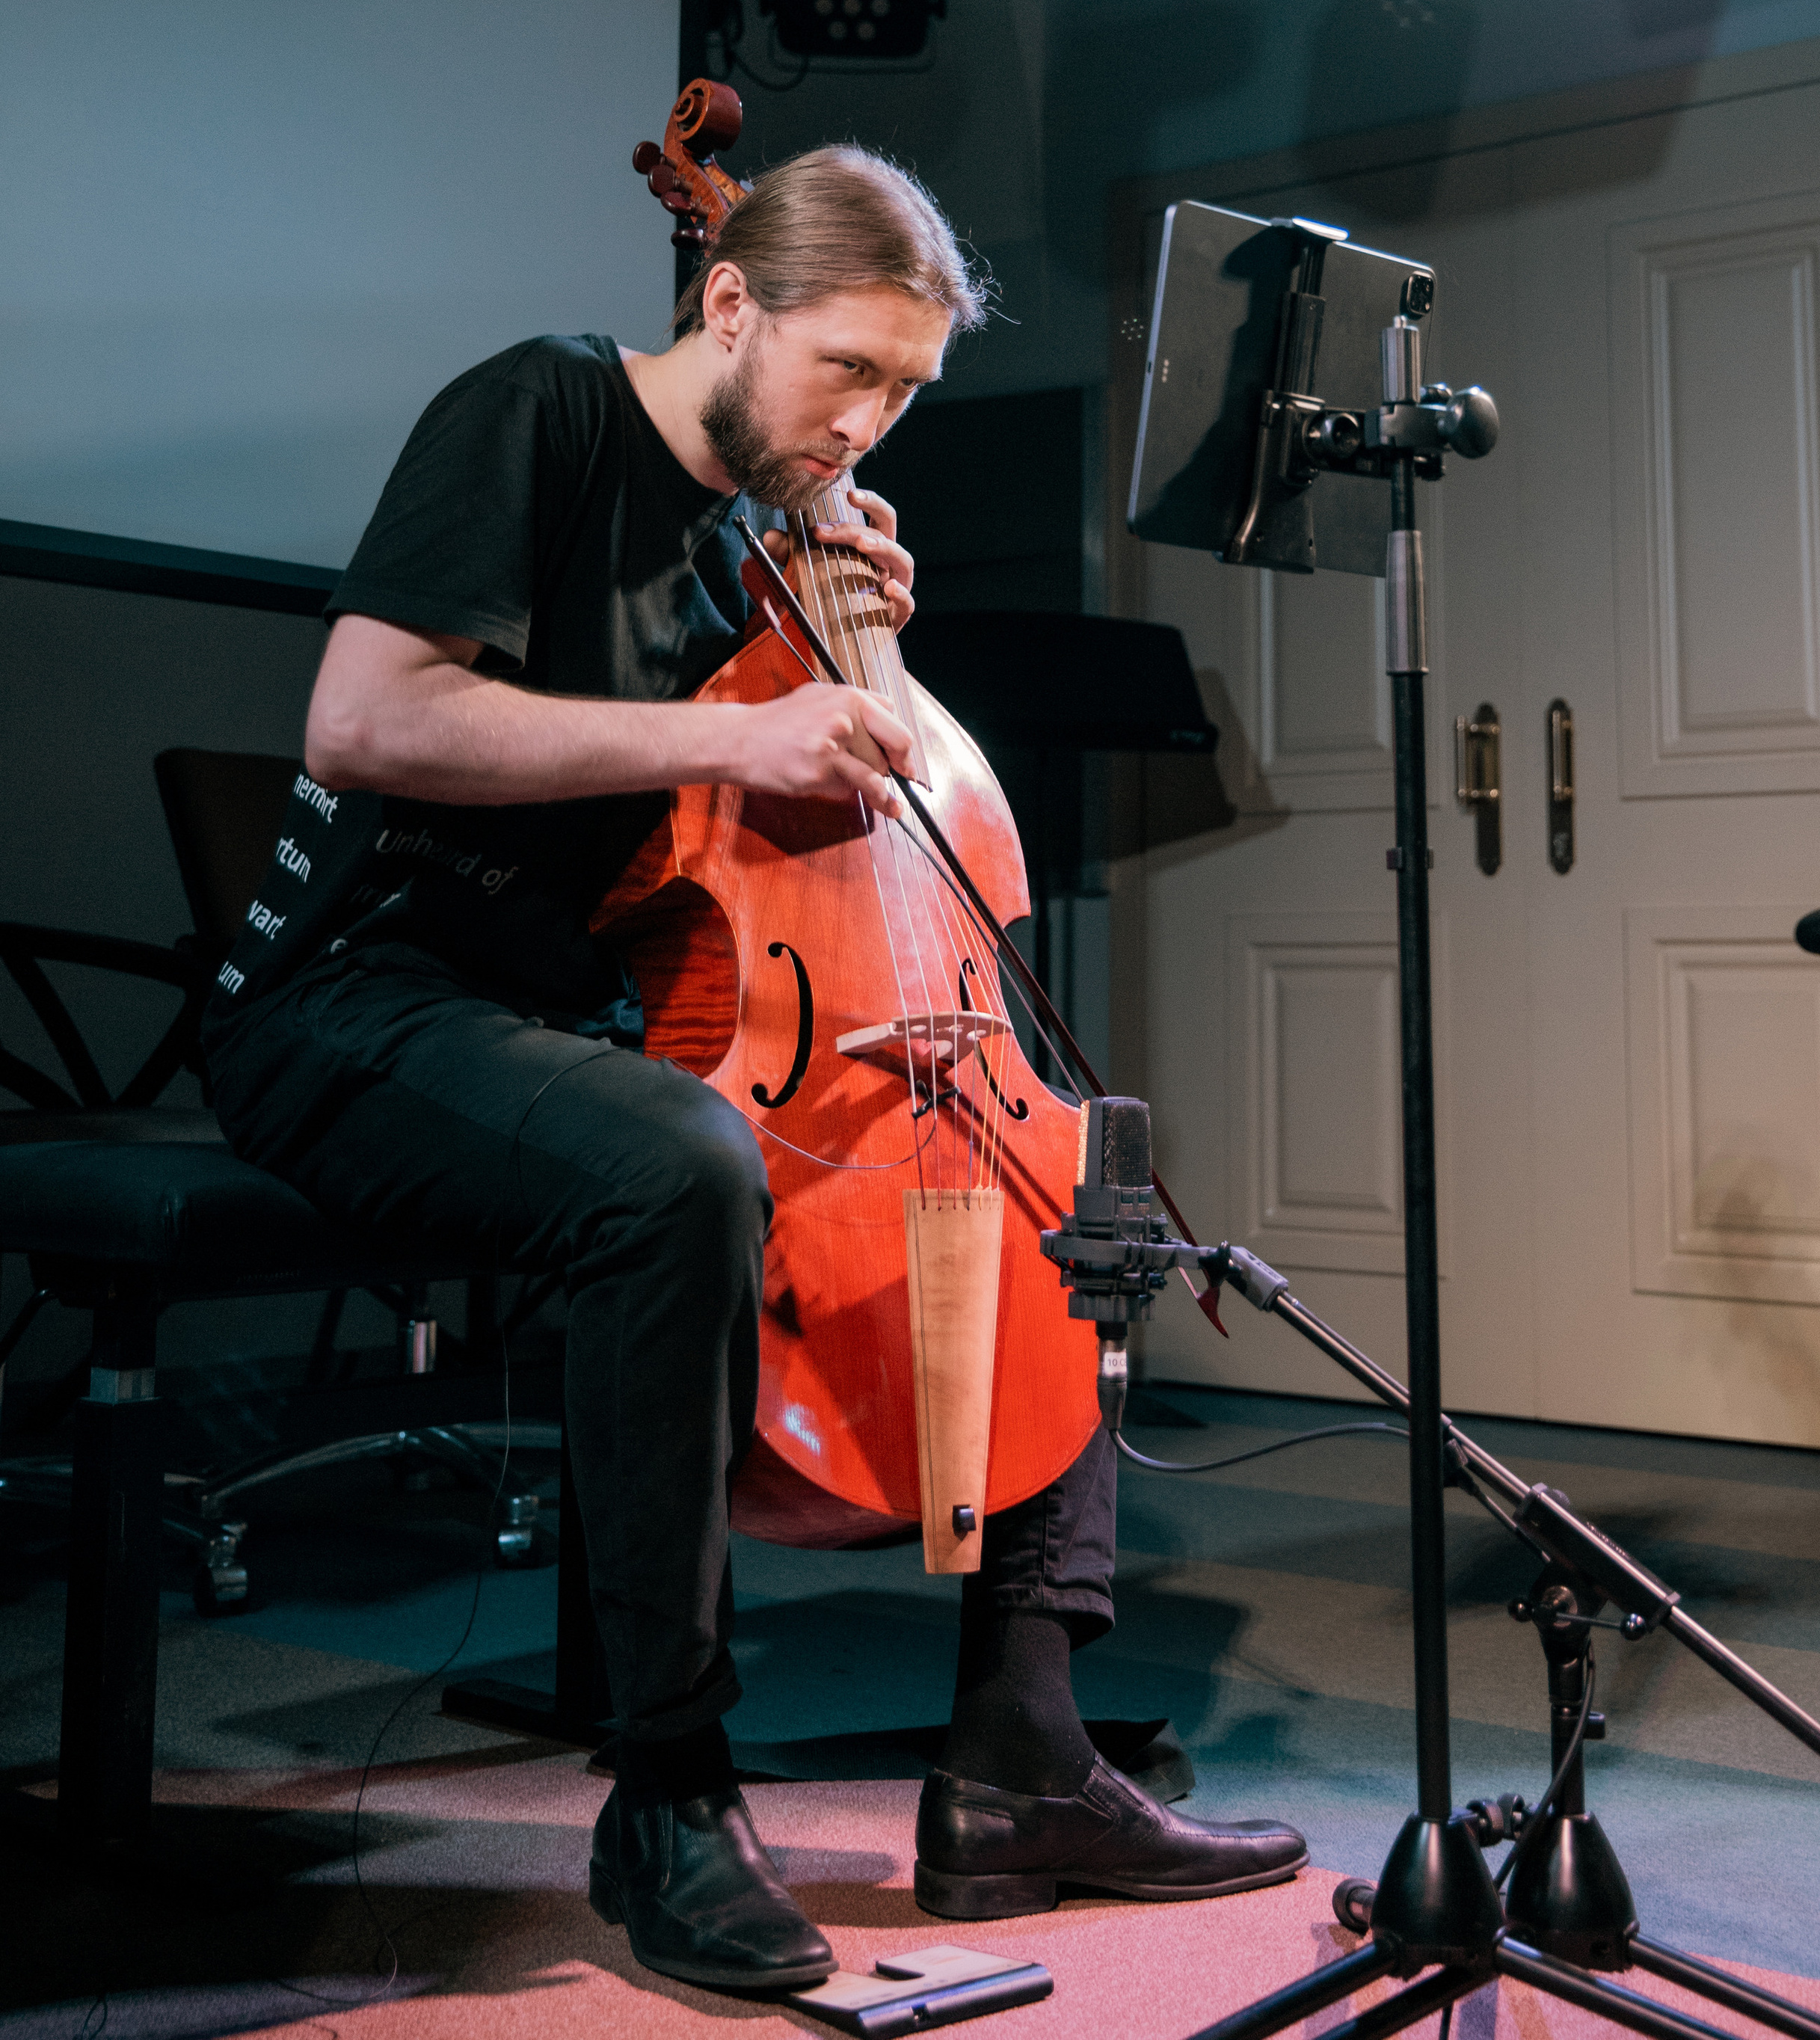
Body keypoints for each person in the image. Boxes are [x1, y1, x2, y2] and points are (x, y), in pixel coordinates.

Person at [203, 144, 1306, 1994]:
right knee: (676, 1166)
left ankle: (1025, 1744)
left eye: (903, 393)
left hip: (572, 1010)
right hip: (352, 1007)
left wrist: (829, 635)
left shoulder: (756, 535)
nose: (867, 425)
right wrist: (754, 720)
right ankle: (667, 1791)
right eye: (843, 373)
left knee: (1053, 1167)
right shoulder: (535, 411)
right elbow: (365, 715)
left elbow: (759, 842)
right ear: (729, 303)